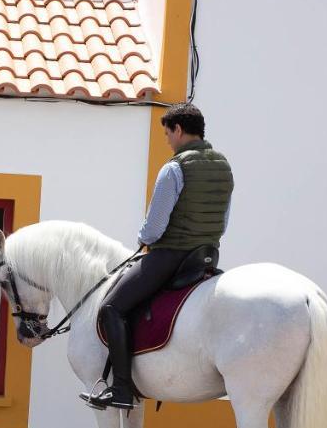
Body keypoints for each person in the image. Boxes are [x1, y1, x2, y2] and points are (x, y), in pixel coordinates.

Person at [81, 103, 234, 410]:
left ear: (178, 130)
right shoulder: (224, 167)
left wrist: (142, 239)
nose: (167, 140)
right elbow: (224, 220)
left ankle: (122, 388)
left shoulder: (174, 168)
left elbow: (154, 227)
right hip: (206, 257)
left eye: (168, 133)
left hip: (171, 256)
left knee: (111, 308)